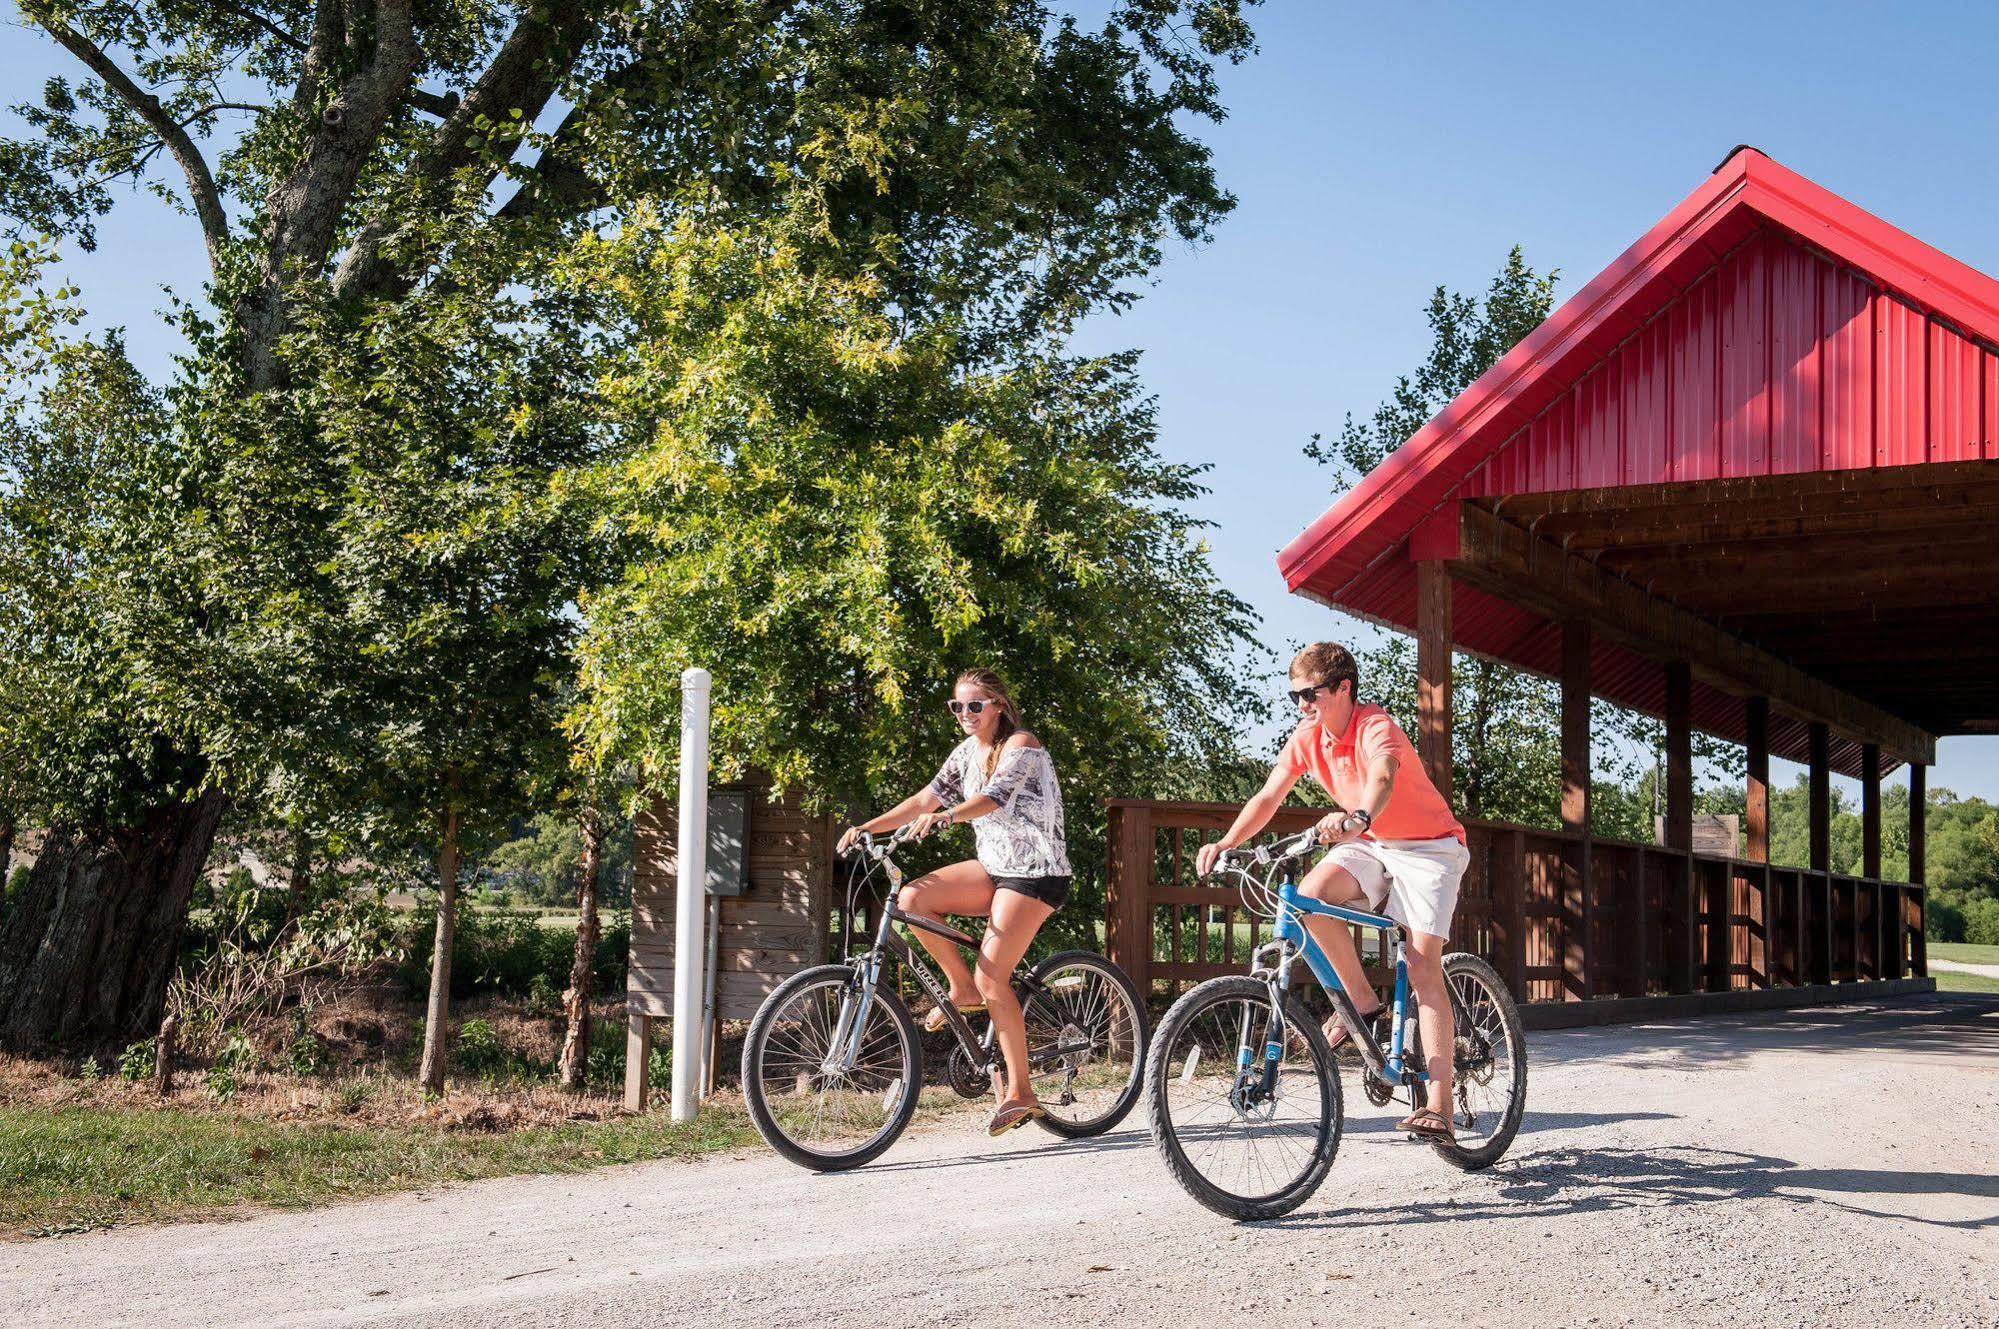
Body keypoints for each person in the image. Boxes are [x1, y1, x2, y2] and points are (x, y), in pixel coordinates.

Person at [1194, 642, 1470, 1142]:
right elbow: (1269, 794)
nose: (1302, 705)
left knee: (1423, 963)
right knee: (1309, 897)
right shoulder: (1307, 738)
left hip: (1430, 848)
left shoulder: (1374, 726)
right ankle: (1362, 1004)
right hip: (1372, 842)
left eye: (1309, 694)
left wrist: (1359, 816)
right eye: (1294, 697)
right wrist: (1230, 841)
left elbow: (1383, 776)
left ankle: (1440, 1103)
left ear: (1344, 688)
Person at [836, 667, 1072, 1136]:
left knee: (994, 977)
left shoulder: (1021, 746)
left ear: (998, 706)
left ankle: (1021, 1090)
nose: (965, 714)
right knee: (913, 898)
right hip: (994, 869)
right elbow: (924, 798)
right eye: (957, 706)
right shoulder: (966, 752)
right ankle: (959, 990)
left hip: (1036, 873)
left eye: (974, 705)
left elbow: (993, 798)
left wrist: (949, 818)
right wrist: (869, 828)